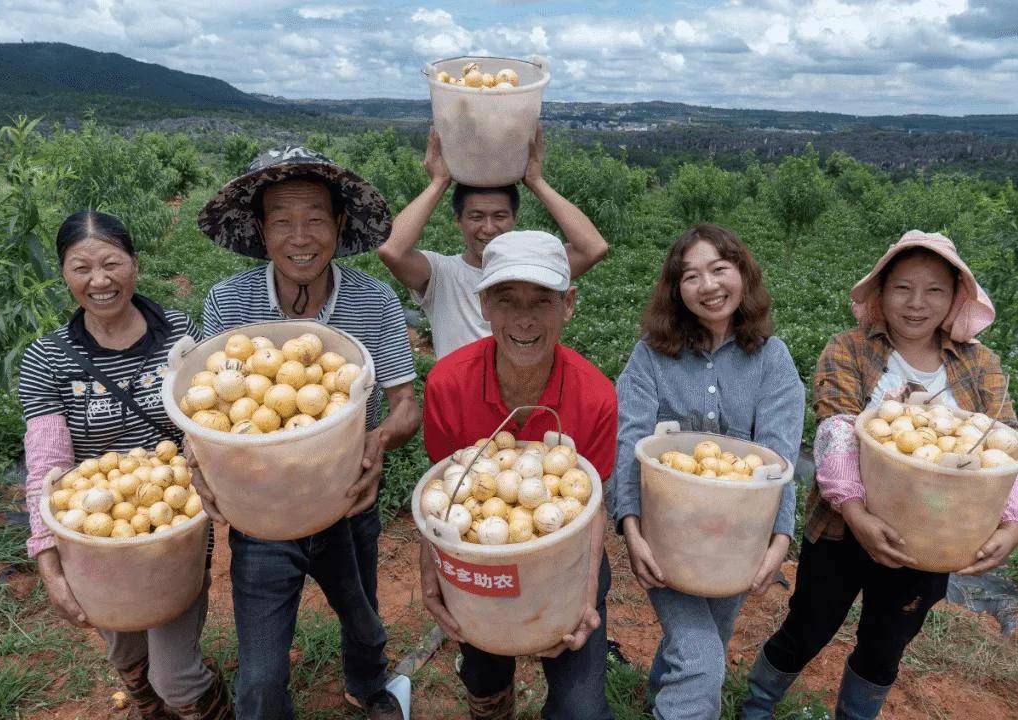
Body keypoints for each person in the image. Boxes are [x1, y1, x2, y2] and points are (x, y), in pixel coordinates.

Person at [741, 230, 1018, 720]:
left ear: (955, 299)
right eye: (902, 287)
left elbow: (1005, 443)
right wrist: (856, 513)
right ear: (880, 293)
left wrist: (1013, 522)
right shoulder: (849, 350)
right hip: (842, 530)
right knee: (809, 626)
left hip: (933, 540)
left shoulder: (980, 363)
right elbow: (836, 428)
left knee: (886, 644)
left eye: (934, 290)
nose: (917, 303)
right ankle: (757, 705)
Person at [193, 146, 421, 720]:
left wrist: (379, 442)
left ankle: (368, 685)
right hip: (263, 509)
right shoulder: (229, 303)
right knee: (262, 680)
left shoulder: (372, 300)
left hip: (347, 499)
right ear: (260, 229)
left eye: (316, 218)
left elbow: (405, 406)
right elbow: (202, 410)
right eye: (283, 221)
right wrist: (199, 463)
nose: (302, 236)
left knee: (365, 622)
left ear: (339, 226)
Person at [19, 211, 231, 719]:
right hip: (93, 536)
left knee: (175, 675)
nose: (100, 280)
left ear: (135, 264)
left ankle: (204, 703)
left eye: (112, 263)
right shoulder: (46, 359)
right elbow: (46, 464)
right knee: (129, 660)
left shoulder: (181, 334)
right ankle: (148, 707)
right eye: (81, 268)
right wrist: (49, 561)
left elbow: (205, 422)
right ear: (64, 274)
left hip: (173, 528)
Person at [609, 224, 804, 720]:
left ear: (743, 274)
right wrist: (631, 528)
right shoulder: (650, 356)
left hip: (738, 539)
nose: (709, 286)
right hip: (667, 534)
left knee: (707, 641)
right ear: (677, 290)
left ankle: (660, 697)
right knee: (702, 660)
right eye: (691, 276)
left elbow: (780, 458)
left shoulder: (773, 361)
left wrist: (779, 541)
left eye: (720, 269)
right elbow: (629, 442)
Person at [420, 230, 617, 720]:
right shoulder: (447, 383)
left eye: (543, 301)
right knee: (484, 675)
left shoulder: (595, 396)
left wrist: (586, 595)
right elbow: (442, 494)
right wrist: (432, 573)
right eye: (507, 300)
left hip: (568, 558)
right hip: (478, 561)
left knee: (582, 711)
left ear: (568, 304)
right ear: (484, 304)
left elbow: (592, 509)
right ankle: (492, 701)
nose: (525, 319)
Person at [378, 126, 608, 358]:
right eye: (476, 216)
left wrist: (537, 181)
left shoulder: (533, 268)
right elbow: (392, 251)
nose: (488, 228)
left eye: (500, 216)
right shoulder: (441, 274)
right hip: (459, 391)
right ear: (458, 220)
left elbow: (593, 248)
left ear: (514, 219)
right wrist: (439, 182)